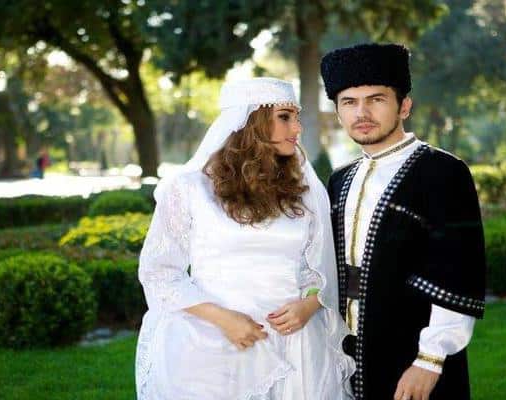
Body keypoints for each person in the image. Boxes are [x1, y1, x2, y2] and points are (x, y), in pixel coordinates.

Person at [135, 77, 355, 399]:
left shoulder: (303, 192)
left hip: (295, 347)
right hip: (211, 344)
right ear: (250, 121)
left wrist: (308, 305)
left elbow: (317, 268)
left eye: (296, 117)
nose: (297, 128)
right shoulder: (189, 188)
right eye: (284, 117)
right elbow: (159, 272)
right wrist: (225, 320)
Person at [320, 43, 486, 400]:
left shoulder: (443, 172)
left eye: (376, 99)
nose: (362, 112)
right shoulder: (340, 180)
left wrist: (430, 359)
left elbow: (457, 271)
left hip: (412, 354)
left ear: (404, 106)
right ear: (338, 111)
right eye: (349, 102)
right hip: (347, 356)